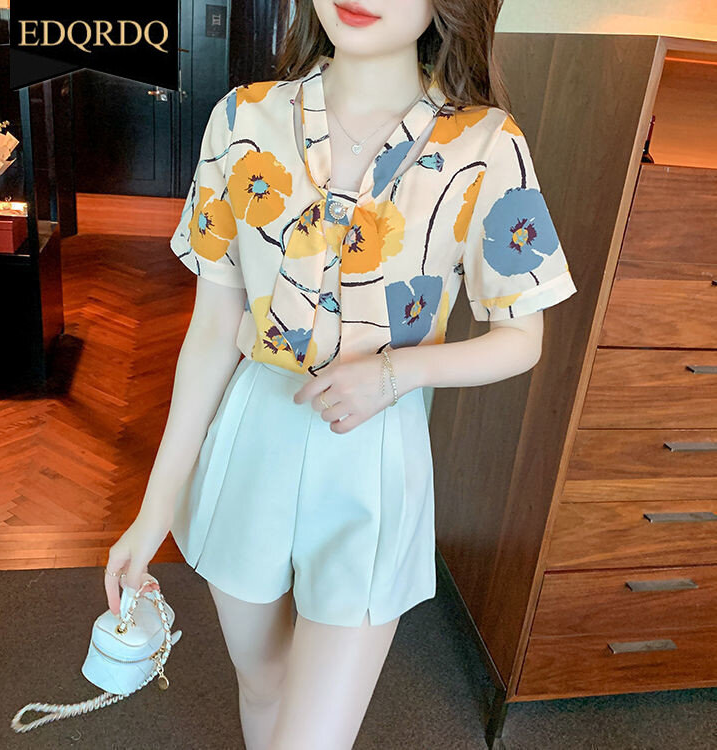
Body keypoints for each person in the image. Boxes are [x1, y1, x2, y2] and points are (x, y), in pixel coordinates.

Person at [103, 0, 577, 747]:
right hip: (251, 438)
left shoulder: (486, 143)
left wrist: (393, 374)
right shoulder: (243, 119)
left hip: (373, 453)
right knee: (262, 687)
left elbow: (521, 337)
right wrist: (152, 509)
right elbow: (212, 331)